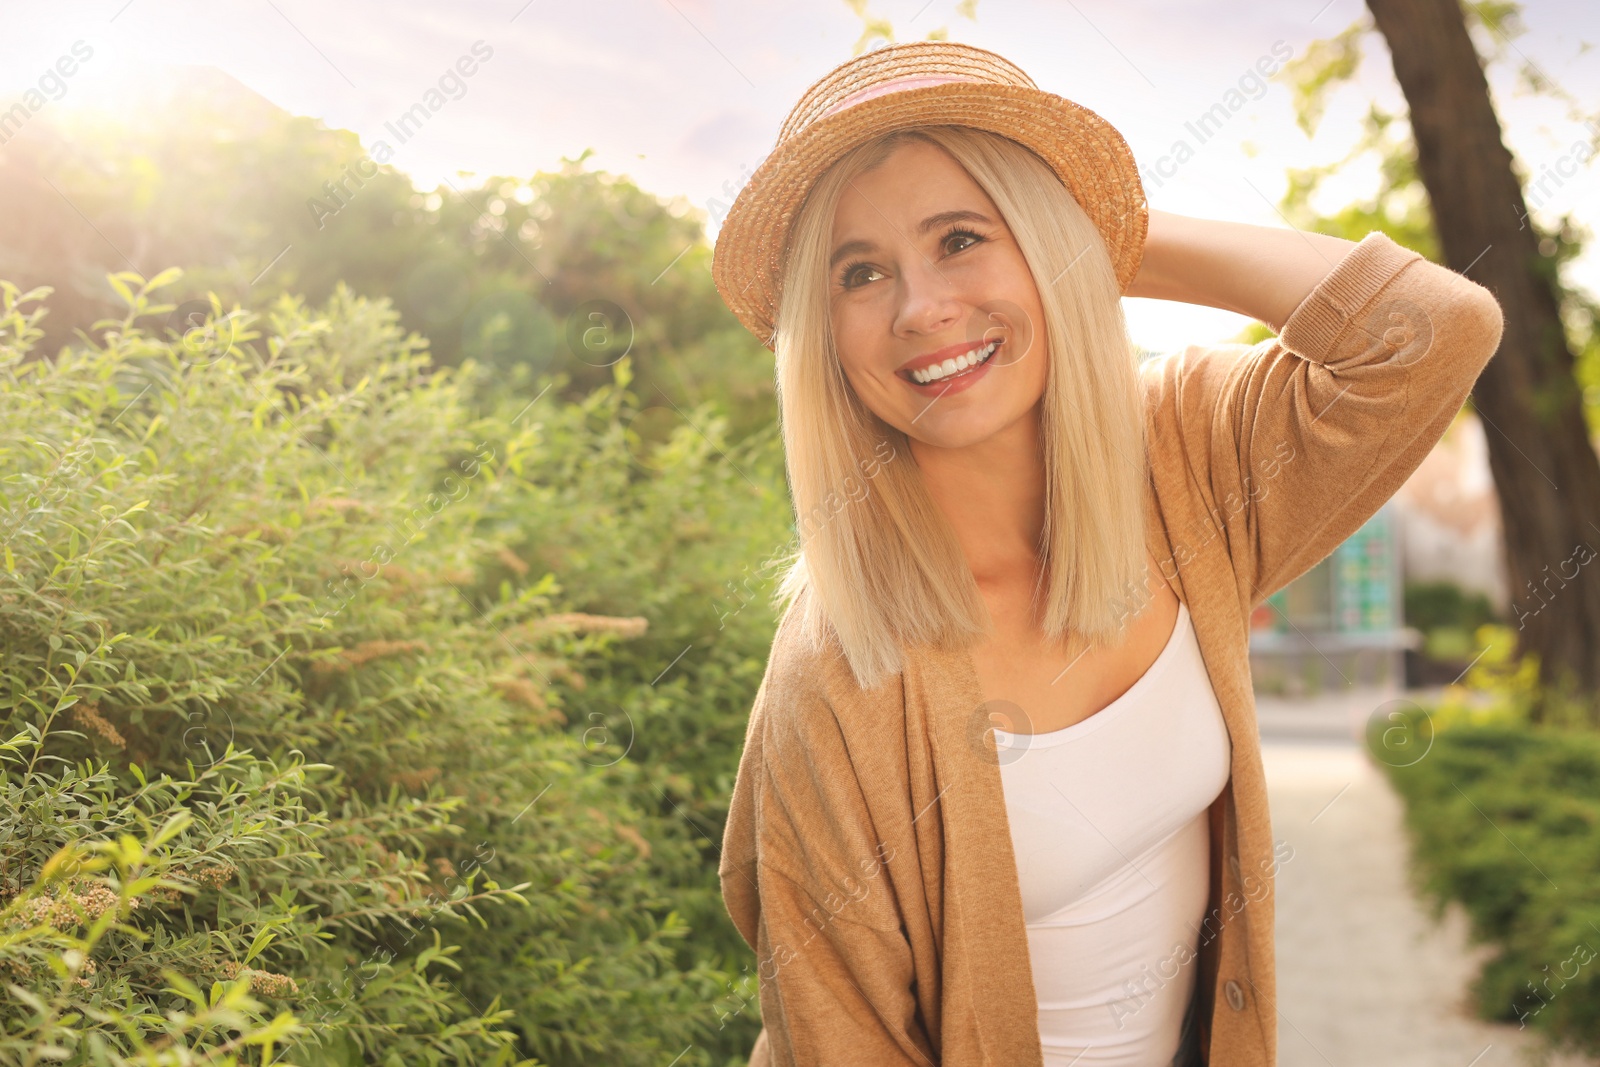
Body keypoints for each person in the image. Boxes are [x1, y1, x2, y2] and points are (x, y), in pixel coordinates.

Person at [710, 40, 1504, 1067]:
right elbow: (839, 1039)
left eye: (960, 237)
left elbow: (1432, 328)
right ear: (824, 332)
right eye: (860, 272)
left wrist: (1098, 229)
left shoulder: (1183, 455)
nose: (918, 308)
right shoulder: (841, 671)